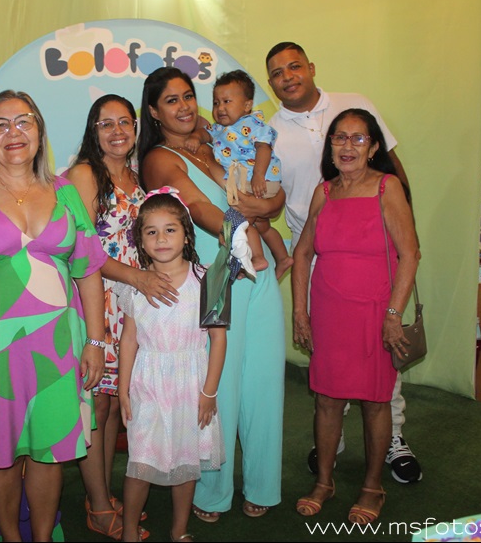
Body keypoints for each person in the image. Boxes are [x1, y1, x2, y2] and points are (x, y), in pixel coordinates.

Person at [265, 41, 422, 484]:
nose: (287, 76)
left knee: (381, 370)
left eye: (294, 66)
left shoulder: (356, 105)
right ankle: (330, 445)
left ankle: (393, 440)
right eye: (277, 72)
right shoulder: (268, 133)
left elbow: (395, 169)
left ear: (311, 67)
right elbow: (271, 197)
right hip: (318, 257)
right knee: (330, 373)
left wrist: (398, 230)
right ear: (270, 83)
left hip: (375, 255)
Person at [138, 67, 287, 521]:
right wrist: (244, 233)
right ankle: (212, 491)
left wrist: (269, 206)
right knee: (220, 388)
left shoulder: (216, 139)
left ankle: (263, 484)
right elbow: (201, 208)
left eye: (189, 96)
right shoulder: (159, 159)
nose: (185, 106)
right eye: (171, 100)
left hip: (259, 276)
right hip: (218, 277)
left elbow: (267, 194)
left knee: (265, 384)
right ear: (154, 112)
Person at [0, 90, 108, 542]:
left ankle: (43, 537)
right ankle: (10, 536)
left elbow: (88, 271)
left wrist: (95, 341)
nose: (13, 132)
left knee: (51, 449)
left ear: (39, 131)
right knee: (2, 454)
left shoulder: (65, 191)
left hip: (58, 343)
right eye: (0, 124)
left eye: (24, 121)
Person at [291, 108, 419, 524]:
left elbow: (410, 254)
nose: (347, 146)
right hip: (329, 313)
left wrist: (393, 314)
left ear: (374, 146)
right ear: (330, 146)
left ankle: (372, 487)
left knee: (375, 402)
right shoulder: (324, 192)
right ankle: (324, 482)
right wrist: (300, 312)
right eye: (339, 138)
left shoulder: (387, 187)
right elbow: (302, 253)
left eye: (358, 138)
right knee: (327, 400)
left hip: (374, 314)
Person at [65, 94, 181, 540]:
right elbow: (83, 251)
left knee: (114, 402)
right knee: (95, 403)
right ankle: (97, 506)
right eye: (105, 124)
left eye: (124, 122)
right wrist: (137, 277)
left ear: (135, 127)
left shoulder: (135, 177)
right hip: (96, 299)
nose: (117, 131)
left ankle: (104, 494)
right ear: (92, 131)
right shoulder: (84, 175)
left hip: (132, 302)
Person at [117, 190, 227, 543]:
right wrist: (122, 390)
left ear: (186, 235)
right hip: (147, 383)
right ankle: (130, 531)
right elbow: (129, 340)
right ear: (140, 240)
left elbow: (218, 340)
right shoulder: (135, 286)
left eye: (170, 230)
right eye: (151, 232)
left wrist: (209, 392)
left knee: (186, 460)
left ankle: (179, 530)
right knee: (141, 460)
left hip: (191, 385)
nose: (161, 239)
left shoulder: (207, 280)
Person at [207, 70, 292, 280]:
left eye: (227, 101)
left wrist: (258, 176)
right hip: (251, 182)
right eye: (216, 103)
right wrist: (196, 136)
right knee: (262, 226)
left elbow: (264, 148)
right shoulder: (219, 128)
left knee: (239, 222)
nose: (220, 108)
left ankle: (256, 259)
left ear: (247, 105)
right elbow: (205, 133)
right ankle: (283, 257)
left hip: (261, 181)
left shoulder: (253, 123)